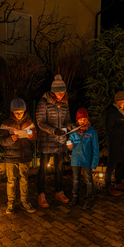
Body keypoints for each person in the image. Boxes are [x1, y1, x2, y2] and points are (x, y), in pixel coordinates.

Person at [36, 74, 74, 207]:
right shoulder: (43, 102)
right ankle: (41, 194)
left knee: (59, 168)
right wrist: (54, 131)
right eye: (58, 93)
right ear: (52, 92)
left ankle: (59, 191)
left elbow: (67, 119)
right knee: (43, 169)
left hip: (60, 141)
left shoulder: (65, 104)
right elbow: (40, 122)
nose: (61, 95)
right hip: (46, 141)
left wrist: (72, 126)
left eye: (63, 93)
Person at [0, 98, 37, 214]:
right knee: (11, 180)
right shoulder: (6, 124)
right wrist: (10, 139)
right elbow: (1, 140)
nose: (19, 114)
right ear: (12, 112)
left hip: (25, 157)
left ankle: (24, 201)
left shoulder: (29, 123)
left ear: (24, 111)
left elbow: (35, 138)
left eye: (21, 112)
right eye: (16, 112)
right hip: (11, 157)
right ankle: (10, 203)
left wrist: (31, 136)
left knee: (24, 179)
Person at [67, 107, 99, 209]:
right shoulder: (73, 132)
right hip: (75, 160)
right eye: (80, 119)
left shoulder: (91, 132)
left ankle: (90, 197)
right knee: (75, 179)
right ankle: (75, 196)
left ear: (87, 120)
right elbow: (71, 145)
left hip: (87, 160)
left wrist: (94, 162)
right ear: (77, 120)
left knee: (88, 179)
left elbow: (95, 148)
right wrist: (70, 146)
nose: (82, 121)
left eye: (84, 119)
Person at [104, 91, 124, 196]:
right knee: (112, 164)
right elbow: (109, 130)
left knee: (122, 162)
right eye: (123, 102)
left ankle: (118, 182)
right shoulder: (112, 112)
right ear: (117, 101)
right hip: (115, 142)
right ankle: (107, 186)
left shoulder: (122, 111)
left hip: (123, 142)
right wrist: (122, 129)